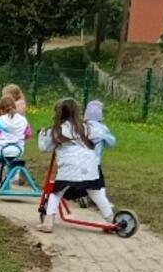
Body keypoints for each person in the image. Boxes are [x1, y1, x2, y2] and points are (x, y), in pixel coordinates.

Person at [37, 96, 118, 233]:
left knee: (56, 193)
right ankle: (112, 219)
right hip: (90, 166)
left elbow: (44, 147)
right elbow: (98, 136)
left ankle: (49, 221)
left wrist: (43, 134)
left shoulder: (57, 130)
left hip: (69, 167)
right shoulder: (86, 128)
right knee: (95, 192)